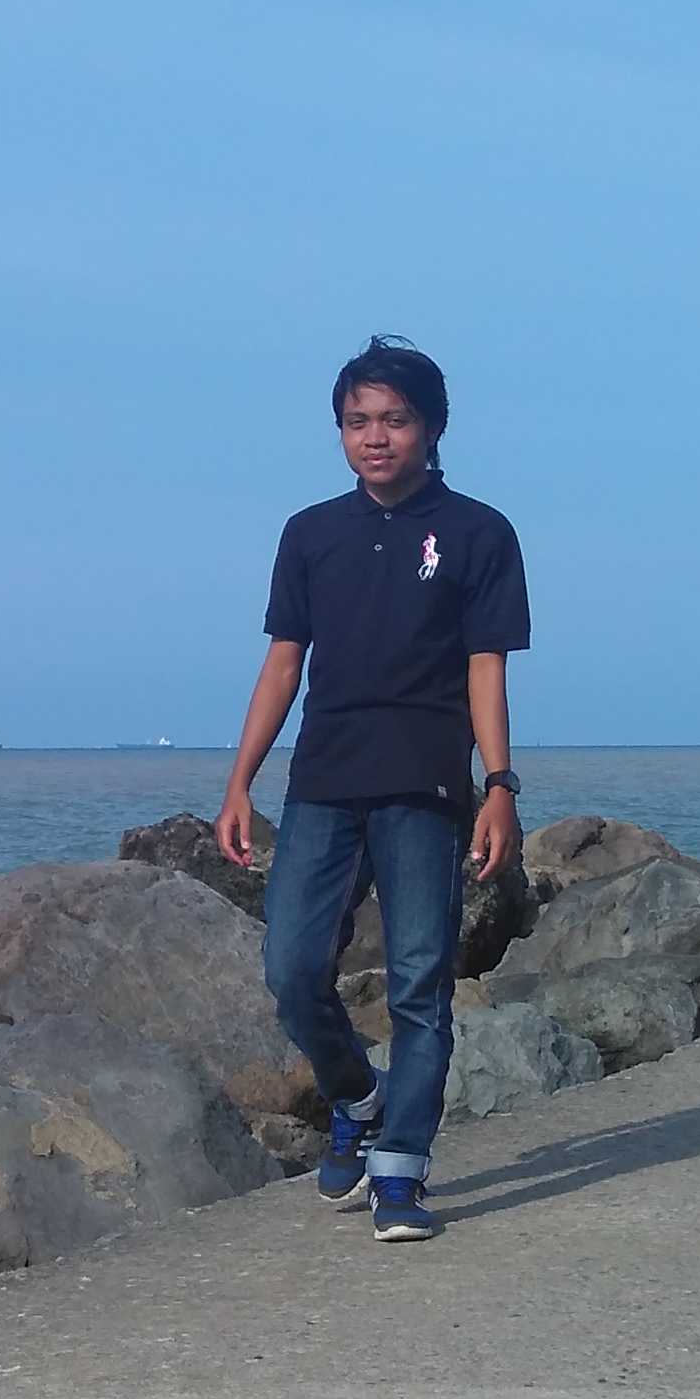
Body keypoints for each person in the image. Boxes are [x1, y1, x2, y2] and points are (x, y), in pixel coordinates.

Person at [213, 335, 529, 1242]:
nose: (376, 437)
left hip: (425, 786)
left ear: (432, 427)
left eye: (395, 419)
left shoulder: (478, 532)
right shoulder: (311, 534)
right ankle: (357, 1093)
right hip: (324, 780)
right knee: (291, 969)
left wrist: (499, 785)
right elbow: (283, 665)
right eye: (358, 421)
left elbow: (485, 667)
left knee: (420, 985)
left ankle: (401, 1170)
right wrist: (239, 782)